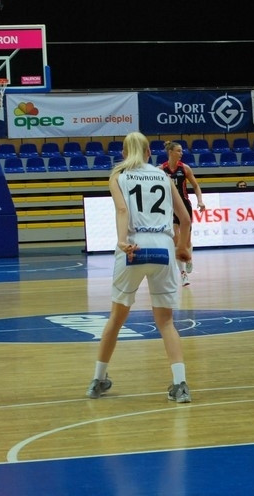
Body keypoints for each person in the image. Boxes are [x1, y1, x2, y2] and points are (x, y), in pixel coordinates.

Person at [85, 131, 193, 403]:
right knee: (166, 322)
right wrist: (183, 246)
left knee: (116, 319)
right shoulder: (164, 176)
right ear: (148, 153)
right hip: (163, 247)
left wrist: (123, 241)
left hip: (133, 246)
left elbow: (122, 211)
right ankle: (180, 385)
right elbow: (185, 218)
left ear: (123, 153)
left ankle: (98, 380)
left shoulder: (118, 176)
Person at [161, 141, 206, 286]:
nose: (181, 153)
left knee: (186, 242)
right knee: (176, 239)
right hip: (170, 207)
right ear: (170, 152)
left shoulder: (185, 168)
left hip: (185, 206)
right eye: (178, 151)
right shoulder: (161, 170)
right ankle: (183, 274)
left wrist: (200, 201)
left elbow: (196, 186)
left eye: (181, 151)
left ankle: (189, 257)